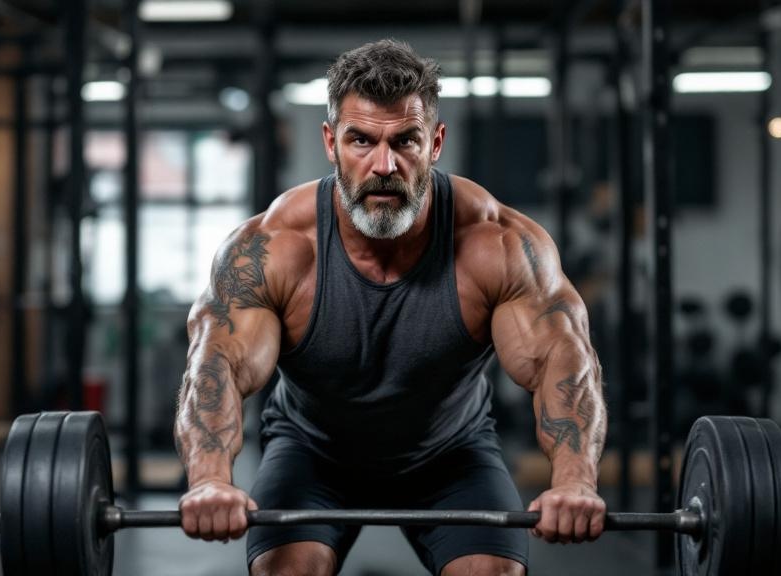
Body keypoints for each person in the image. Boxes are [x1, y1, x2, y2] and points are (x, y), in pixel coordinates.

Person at [174, 39, 607, 576]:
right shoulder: (274, 248)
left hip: (451, 455)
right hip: (313, 454)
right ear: (331, 143)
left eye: (406, 140)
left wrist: (574, 482)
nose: (385, 164)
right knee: (287, 570)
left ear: (436, 143)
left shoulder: (496, 243)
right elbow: (218, 363)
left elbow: (561, 361)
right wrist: (211, 478)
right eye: (362, 140)